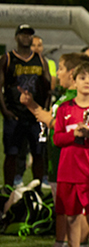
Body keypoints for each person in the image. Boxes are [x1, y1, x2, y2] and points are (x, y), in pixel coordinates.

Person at [20, 52, 89, 247]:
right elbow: (51, 120)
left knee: (77, 211)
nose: (57, 73)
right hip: (57, 163)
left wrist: (44, 116)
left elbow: (64, 126)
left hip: (73, 166)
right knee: (63, 209)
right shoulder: (63, 98)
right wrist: (32, 105)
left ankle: (80, 245)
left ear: (72, 73)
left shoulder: (80, 100)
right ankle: (61, 244)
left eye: (60, 68)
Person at [50, 62, 89, 247]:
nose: (87, 82)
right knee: (71, 216)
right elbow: (57, 139)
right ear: (74, 81)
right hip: (68, 170)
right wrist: (72, 135)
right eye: (82, 78)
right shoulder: (65, 108)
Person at [0, 24, 51, 189]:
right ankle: (8, 188)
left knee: (38, 153)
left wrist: (43, 111)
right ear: (16, 37)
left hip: (35, 115)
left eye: (29, 35)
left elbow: (48, 87)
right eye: (23, 34)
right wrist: (5, 111)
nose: (26, 37)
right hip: (14, 114)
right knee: (11, 153)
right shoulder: (7, 59)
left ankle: (37, 187)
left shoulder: (40, 59)